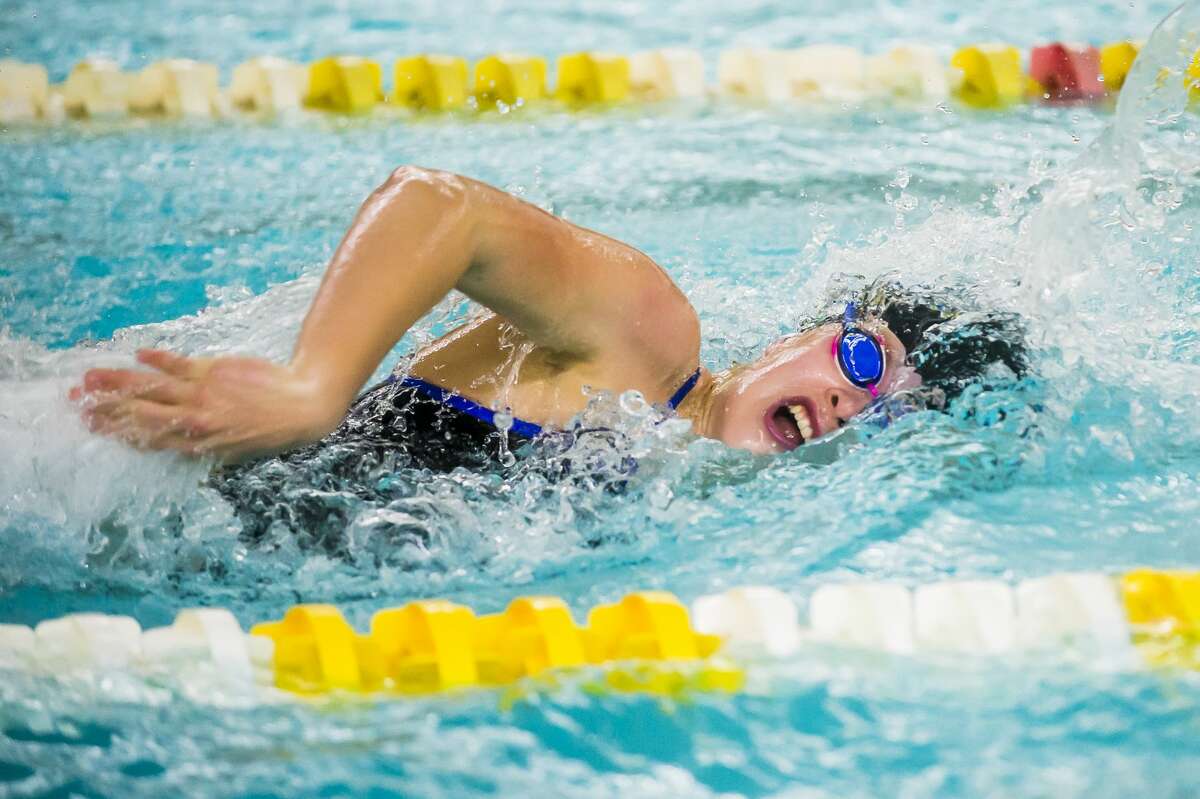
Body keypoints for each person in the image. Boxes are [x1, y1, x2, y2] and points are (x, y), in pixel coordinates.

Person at [71, 166, 1027, 473]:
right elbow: (440, 204)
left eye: (886, 415)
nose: (850, 405)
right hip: (115, 445)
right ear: (802, 336)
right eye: (864, 360)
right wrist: (310, 389)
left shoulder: (671, 472)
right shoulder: (653, 336)